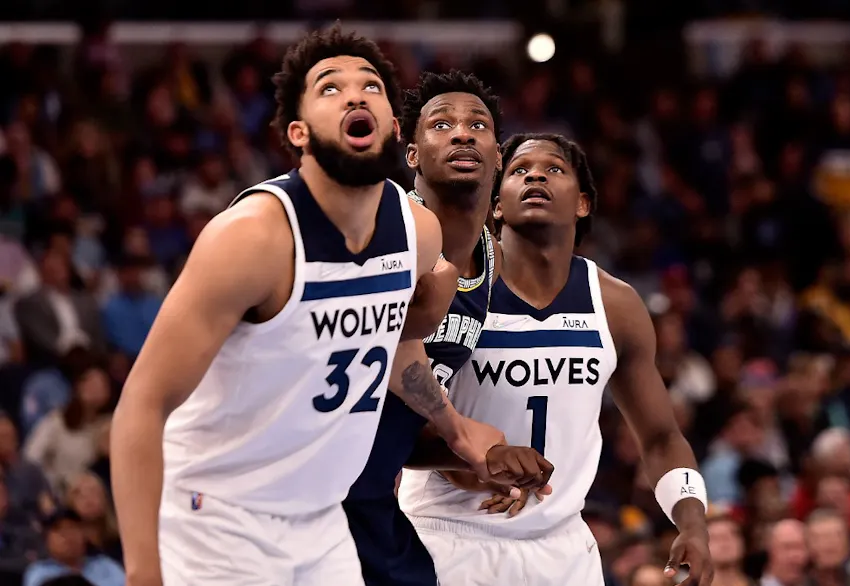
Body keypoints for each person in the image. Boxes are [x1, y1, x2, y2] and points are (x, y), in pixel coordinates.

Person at [110, 26, 474, 586]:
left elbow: (391, 342)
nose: (356, 95)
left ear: (394, 126)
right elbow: (143, 402)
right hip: (218, 521)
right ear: (297, 133)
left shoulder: (417, 233)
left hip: (322, 522)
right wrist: (142, 573)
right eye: (330, 87)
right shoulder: (252, 239)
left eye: (371, 86)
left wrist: (454, 427)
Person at [399, 133, 713, 586]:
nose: (535, 177)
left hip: (563, 548)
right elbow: (398, 427)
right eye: (519, 171)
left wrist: (693, 525)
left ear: (582, 203)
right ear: (497, 205)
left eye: (554, 169)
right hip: (449, 536)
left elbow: (662, 437)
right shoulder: (453, 286)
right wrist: (473, 463)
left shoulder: (616, 305)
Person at [343, 70, 552, 586]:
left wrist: (483, 461)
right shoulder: (385, 227)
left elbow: (397, 427)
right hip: (309, 488)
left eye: (477, 124)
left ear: (498, 155)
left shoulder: (491, 261)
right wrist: (463, 436)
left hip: (367, 497)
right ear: (412, 153)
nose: (462, 132)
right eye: (441, 124)